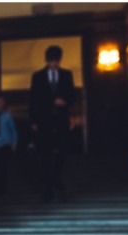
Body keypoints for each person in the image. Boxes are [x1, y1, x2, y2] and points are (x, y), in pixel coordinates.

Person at [30, 45, 75, 202]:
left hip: (61, 119)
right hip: (44, 120)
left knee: (63, 151)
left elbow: (73, 95)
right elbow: (33, 99)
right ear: (47, 60)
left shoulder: (67, 74)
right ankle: (48, 186)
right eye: (51, 61)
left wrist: (65, 101)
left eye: (56, 61)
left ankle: (54, 178)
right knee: (45, 153)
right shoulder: (38, 76)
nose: (54, 64)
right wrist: (34, 121)